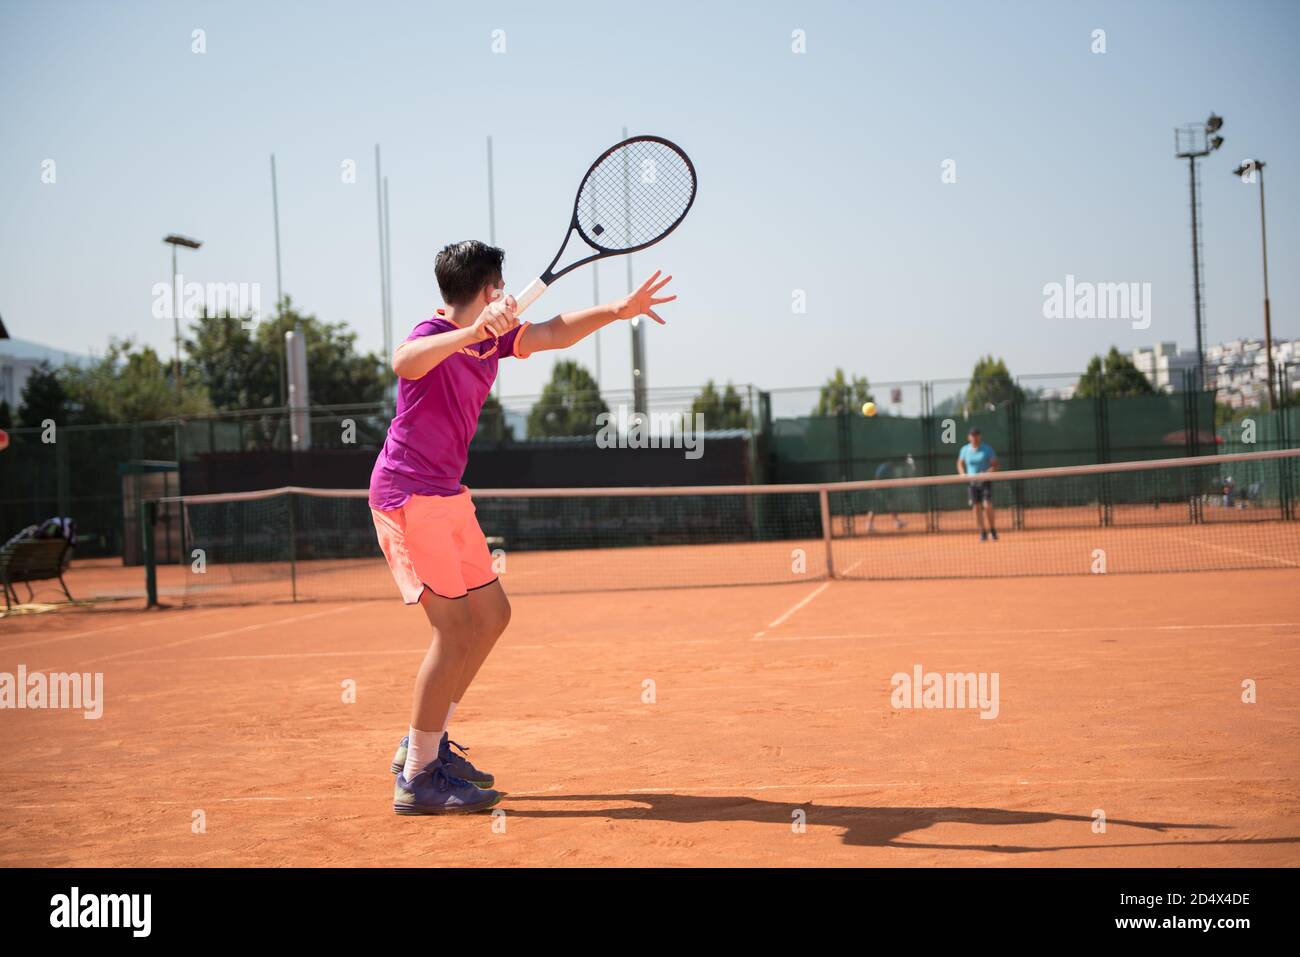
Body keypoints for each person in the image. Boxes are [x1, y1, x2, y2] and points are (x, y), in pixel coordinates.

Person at [370, 240, 675, 814]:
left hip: (447, 494)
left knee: (493, 616)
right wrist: (472, 331)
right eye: (500, 287)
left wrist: (618, 310)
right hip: (408, 496)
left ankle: (425, 742)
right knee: (454, 628)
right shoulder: (431, 331)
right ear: (487, 291)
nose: (506, 295)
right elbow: (404, 361)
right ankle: (416, 777)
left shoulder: (497, 338)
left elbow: (554, 331)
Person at [956, 428, 999, 541]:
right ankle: (982, 531)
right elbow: (960, 463)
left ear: (980, 436)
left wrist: (986, 473)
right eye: (972, 435)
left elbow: (995, 465)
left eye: (976, 435)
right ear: (969, 437)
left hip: (985, 481)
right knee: (976, 507)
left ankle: (993, 529)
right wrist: (963, 474)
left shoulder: (987, 449)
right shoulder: (964, 449)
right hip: (972, 483)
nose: (974, 437)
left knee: (987, 505)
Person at [865, 454, 916, 533]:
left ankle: (897, 522)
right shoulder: (886, 467)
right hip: (879, 489)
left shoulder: (891, 467)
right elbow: (878, 478)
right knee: (875, 507)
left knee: (891, 505)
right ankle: (869, 525)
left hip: (886, 489)